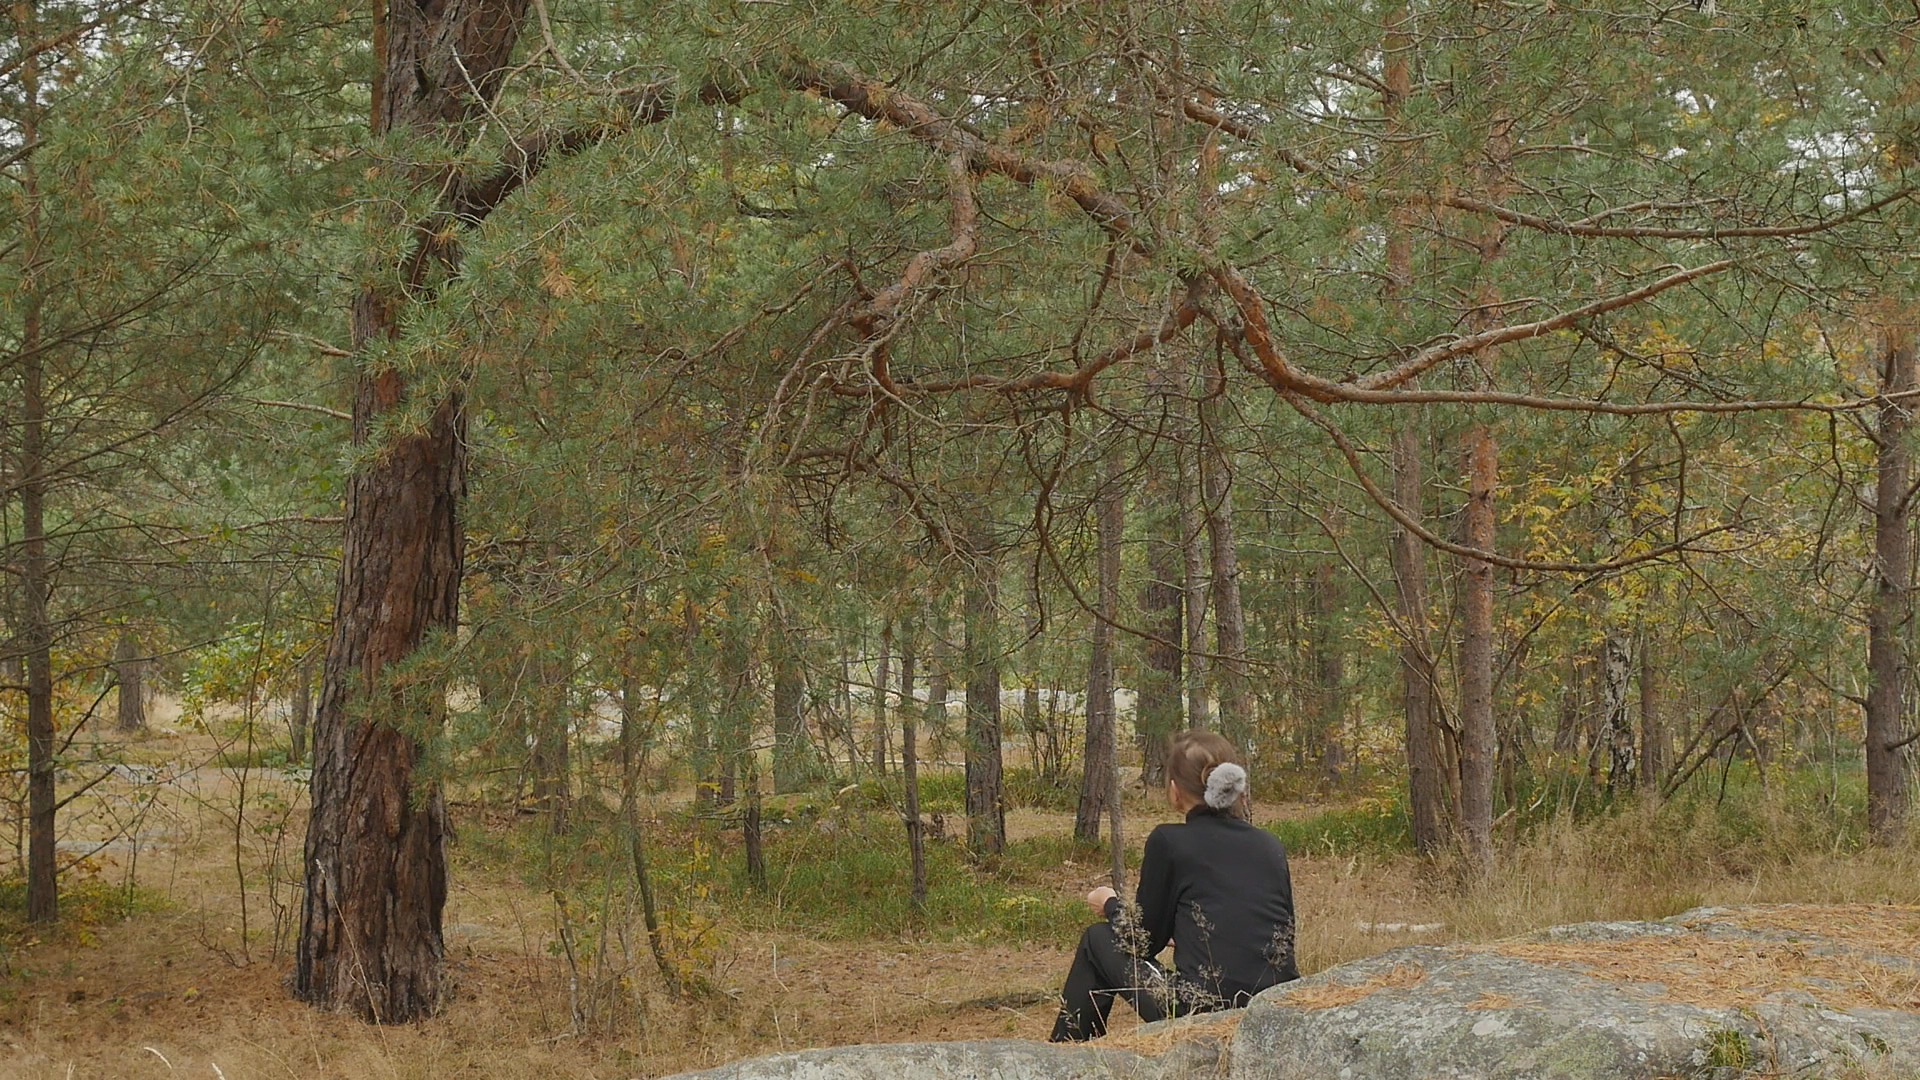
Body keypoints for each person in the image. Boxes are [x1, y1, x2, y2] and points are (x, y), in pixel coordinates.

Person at [1049, 730, 1299, 1041]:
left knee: (1097, 939)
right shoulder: (1269, 844)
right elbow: (1276, 931)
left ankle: (1068, 1051)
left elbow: (1140, 942)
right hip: (1275, 1005)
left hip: (1200, 1008)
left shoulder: (1169, 841)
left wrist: (1110, 904)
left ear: (1174, 790)